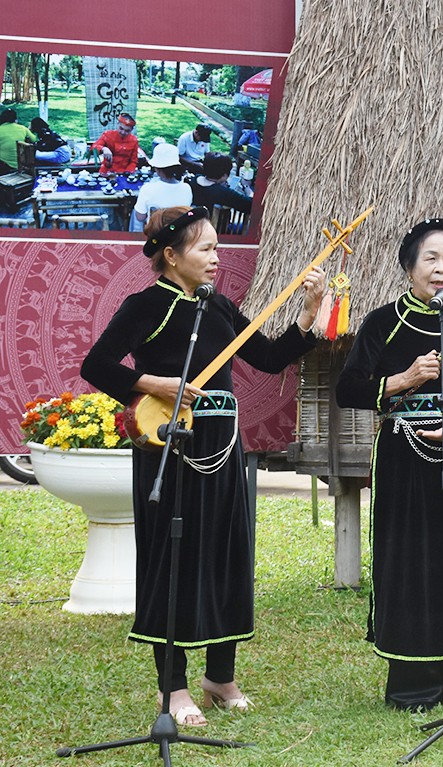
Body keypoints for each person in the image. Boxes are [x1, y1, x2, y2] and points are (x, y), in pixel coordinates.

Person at [81, 205, 324, 727]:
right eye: (206, 248)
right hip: (170, 444)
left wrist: (308, 312)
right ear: (171, 255)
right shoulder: (145, 305)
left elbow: (269, 358)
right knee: (173, 556)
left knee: (224, 552)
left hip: (222, 445)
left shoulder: (219, 307)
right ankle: (173, 688)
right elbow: (95, 365)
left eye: (217, 247)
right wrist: (153, 384)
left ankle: (220, 677)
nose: (217, 257)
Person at [335, 218, 443, 712]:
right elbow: (348, 389)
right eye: (431, 258)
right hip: (403, 455)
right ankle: (412, 683)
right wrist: (402, 379)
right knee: (410, 558)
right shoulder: (382, 323)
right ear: (410, 267)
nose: (441, 268)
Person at [132, 142, 192, 232]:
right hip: (178, 233)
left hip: (154, 234)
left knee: (135, 212)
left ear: (157, 168)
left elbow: (140, 217)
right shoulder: (187, 188)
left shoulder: (148, 189)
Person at [0, 108, 36, 173]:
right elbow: (34, 139)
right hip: (21, 162)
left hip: (4, 164)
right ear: (15, 119)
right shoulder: (23, 128)